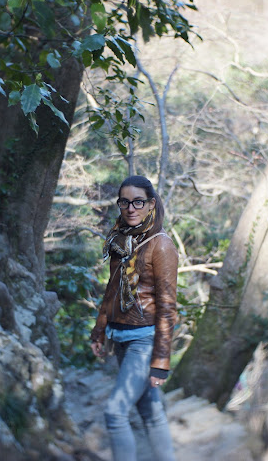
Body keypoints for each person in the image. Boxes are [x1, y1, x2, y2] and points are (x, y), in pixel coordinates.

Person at [90, 175, 178, 461]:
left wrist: (161, 361)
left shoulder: (161, 245)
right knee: (150, 411)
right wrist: (99, 330)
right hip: (120, 336)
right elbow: (112, 289)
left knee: (115, 413)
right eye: (125, 202)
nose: (131, 208)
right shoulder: (122, 239)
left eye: (138, 202)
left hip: (145, 341)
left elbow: (167, 306)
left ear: (151, 204)